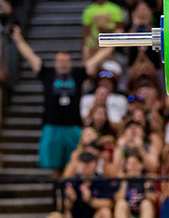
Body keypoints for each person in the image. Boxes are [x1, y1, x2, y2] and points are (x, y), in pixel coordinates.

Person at [10, 26, 111, 177]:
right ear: (56, 62)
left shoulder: (77, 75)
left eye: (66, 61)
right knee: (54, 165)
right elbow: (30, 56)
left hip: (73, 126)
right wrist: (18, 39)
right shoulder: (48, 74)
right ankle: (58, 194)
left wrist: (114, 43)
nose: (63, 63)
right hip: (52, 125)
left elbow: (95, 60)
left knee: (74, 163)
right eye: (60, 60)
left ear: (70, 62)